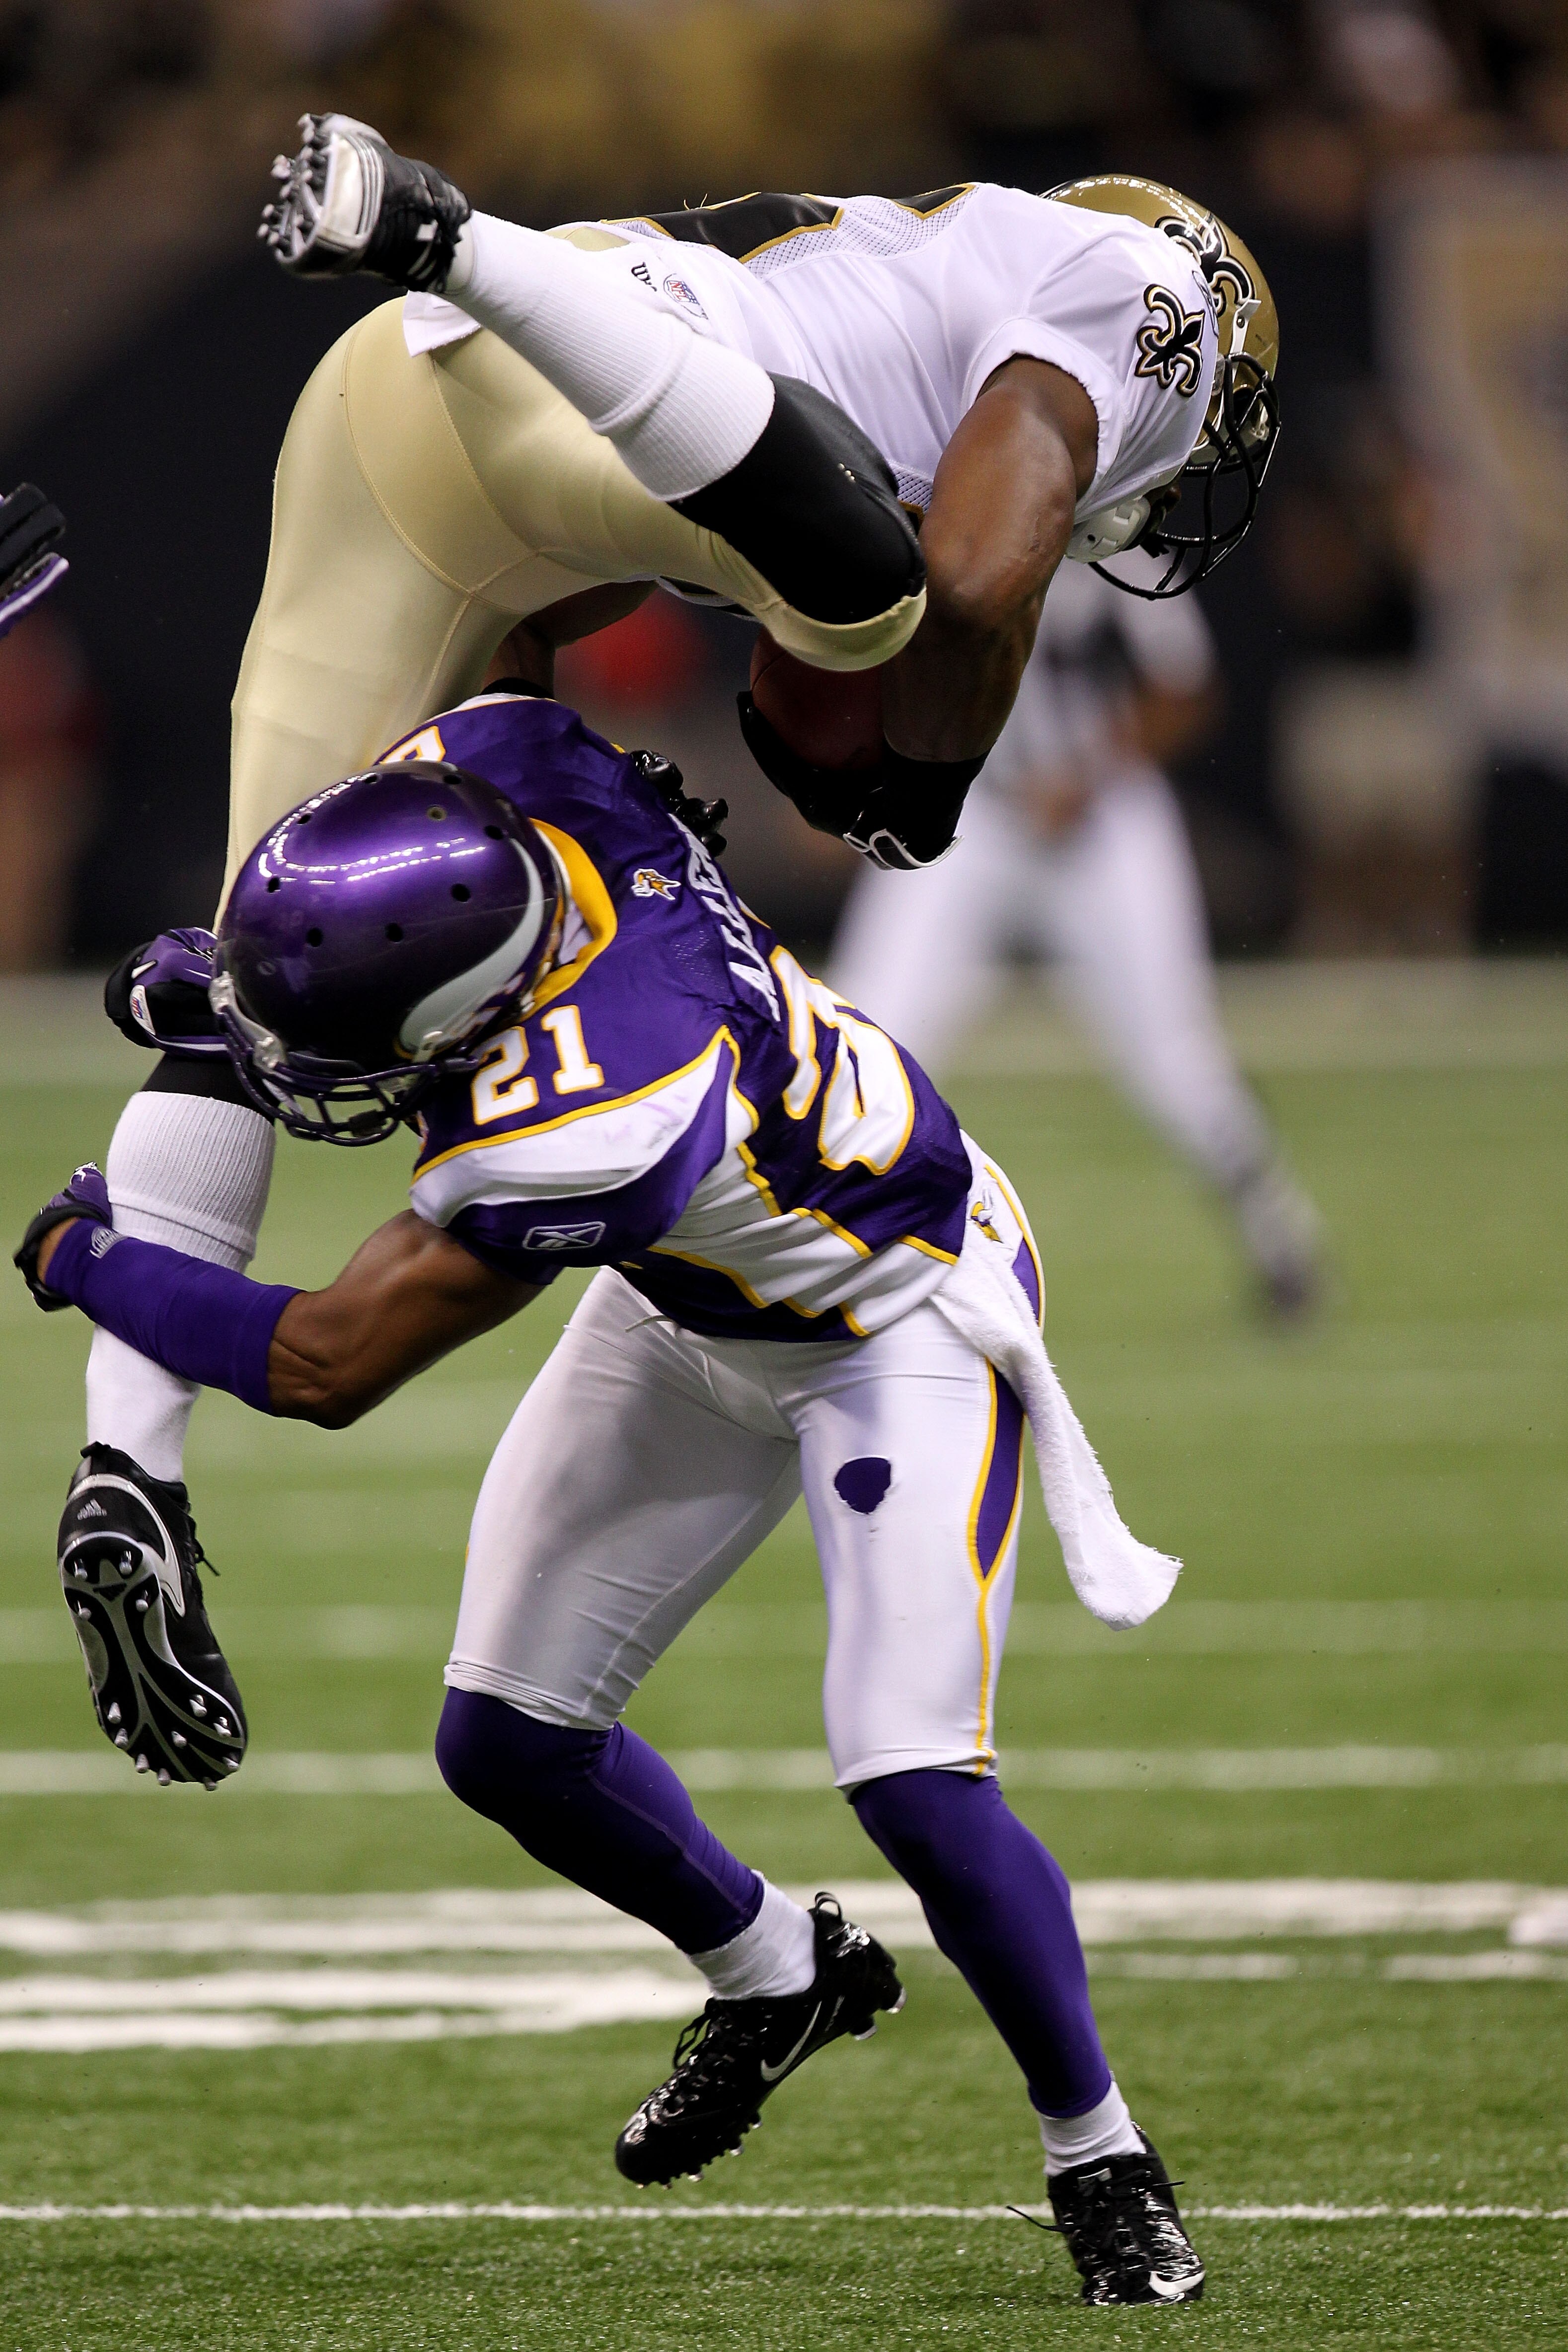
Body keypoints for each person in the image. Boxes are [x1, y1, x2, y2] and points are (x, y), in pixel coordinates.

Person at [20, 683, 1205, 2306]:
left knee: (913, 1780)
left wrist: (85, 1259)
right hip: (697, 1286)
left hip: (891, 1322)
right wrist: (251, 974)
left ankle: (1099, 2153)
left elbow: (325, 1361)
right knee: (506, 1740)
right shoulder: (506, 764)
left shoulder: (598, 1120)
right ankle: (777, 1973)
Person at [830, 554, 1322, 1314]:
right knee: (866, 1036)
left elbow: (1186, 693)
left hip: (1101, 822)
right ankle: (823, 1258)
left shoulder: (1115, 549)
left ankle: (1280, 1239)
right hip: (966, 815)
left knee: (1175, 1058)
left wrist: (1085, 773)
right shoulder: (925, 536)